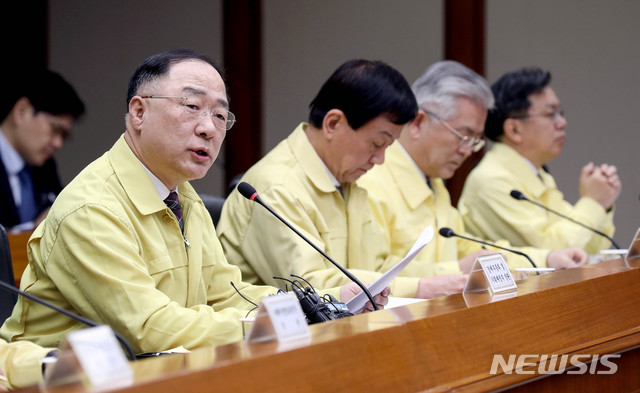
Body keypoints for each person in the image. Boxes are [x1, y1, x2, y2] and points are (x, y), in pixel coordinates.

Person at [0, 49, 384, 355]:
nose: (208, 127)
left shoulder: (182, 195)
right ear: (139, 112)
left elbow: (226, 292)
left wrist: (320, 302)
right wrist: (266, 326)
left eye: (220, 115)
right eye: (191, 107)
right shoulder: (93, 208)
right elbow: (150, 328)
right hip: (60, 382)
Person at [217, 59, 444, 298]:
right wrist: (421, 288)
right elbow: (310, 285)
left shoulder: (346, 182)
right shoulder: (277, 187)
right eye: (377, 143)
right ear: (333, 124)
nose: (380, 159)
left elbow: (378, 268)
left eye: (388, 147)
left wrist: (450, 277)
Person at [359, 61, 587, 294]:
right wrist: (456, 269)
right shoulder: (371, 180)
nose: (467, 151)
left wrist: (544, 259)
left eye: (475, 141)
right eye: (463, 136)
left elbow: (463, 246)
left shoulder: (433, 183)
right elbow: (372, 273)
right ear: (418, 122)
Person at [459, 67, 621, 254]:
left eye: (560, 113)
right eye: (551, 114)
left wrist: (602, 204)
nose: (562, 123)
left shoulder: (538, 173)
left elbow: (591, 248)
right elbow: (554, 254)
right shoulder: (492, 181)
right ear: (514, 129)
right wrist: (592, 201)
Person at [0, 69, 85, 232]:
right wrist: (33, 229)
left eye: (64, 135)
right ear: (21, 111)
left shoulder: (46, 167)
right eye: (55, 129)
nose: (58, 143)